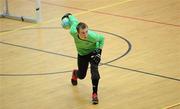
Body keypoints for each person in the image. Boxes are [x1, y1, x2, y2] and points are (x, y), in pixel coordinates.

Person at [61, 13, 104, 104]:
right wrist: (68, 15)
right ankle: (75, 73)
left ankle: (94, 94)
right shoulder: (73, 31)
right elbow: (74, 21)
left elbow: (102, 39)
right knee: (82, 75)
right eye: (83, 32)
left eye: (86, 31)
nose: (85, 34)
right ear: (77, 32)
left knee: (94, 71)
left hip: (93, 52)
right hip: (82, 54)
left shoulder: (92, 36)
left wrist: (99, 52)